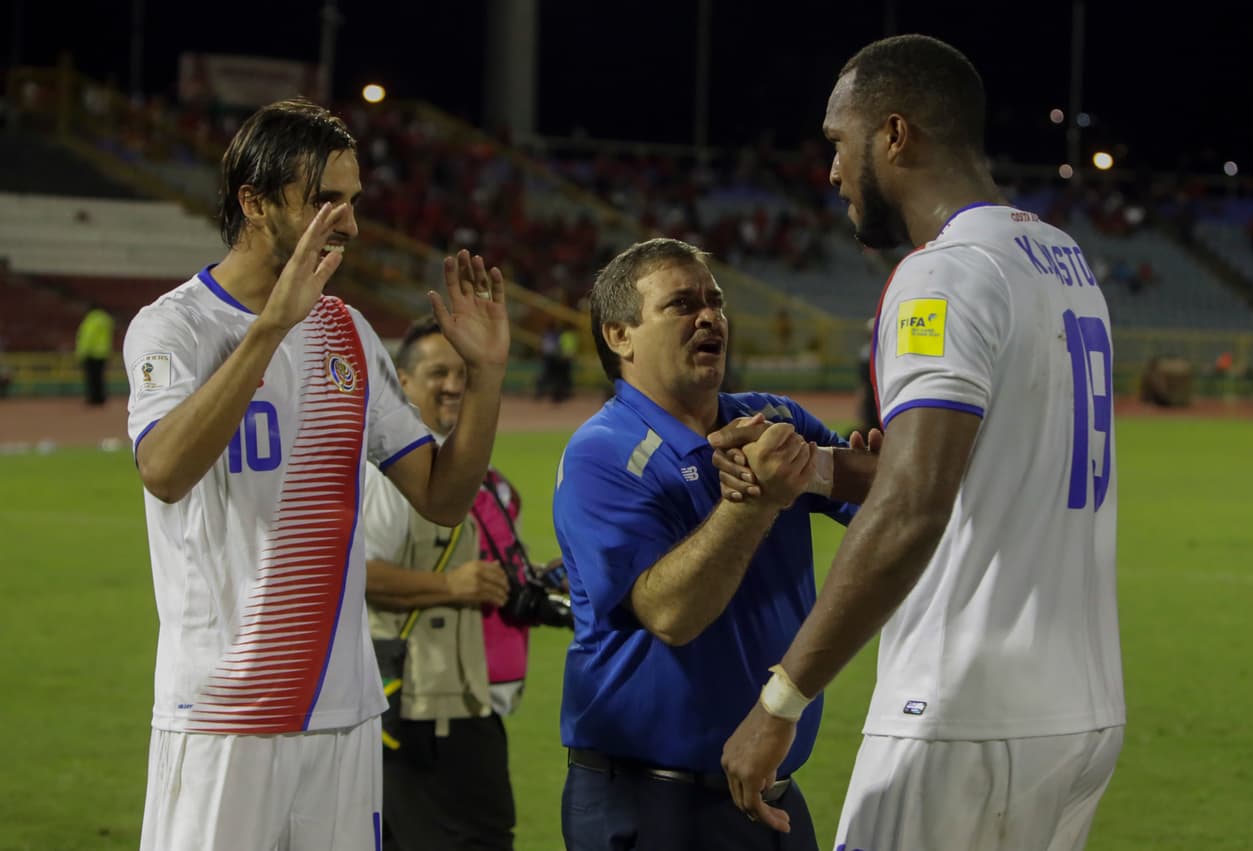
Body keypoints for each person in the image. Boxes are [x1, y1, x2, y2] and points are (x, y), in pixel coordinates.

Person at [719, 35, 1123, 851]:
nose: (830, 172)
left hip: (962, 713)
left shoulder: (943, 273)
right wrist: (822, 467)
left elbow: (913, 507)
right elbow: (980, 470)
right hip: (1078, 710)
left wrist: (779, 703)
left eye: (839, 143)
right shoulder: (1061, 258)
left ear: (894, 135)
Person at [123, 97, 509, 851]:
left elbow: (442, 497)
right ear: (255, 202)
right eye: (325, 199)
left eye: (354, 200)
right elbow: (164, 470)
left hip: (345, 713)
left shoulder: (347, 334)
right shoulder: (175, 326)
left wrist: (487, 376)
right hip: (221, 713)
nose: (351, 223)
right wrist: (269, 326)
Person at [552, 237, 879, 851]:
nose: (709, 316)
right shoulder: (602, 453)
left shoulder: (769, 417)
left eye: (716, 301)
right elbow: (672, 614)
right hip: (653, 803)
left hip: (773, 790)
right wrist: (753, 501)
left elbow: (893, 500)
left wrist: (834, 467)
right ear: (620, 335)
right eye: (681, 304)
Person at [365, 315, 567, 850]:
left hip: (470, 702)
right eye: (437, 373)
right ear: (402, 383)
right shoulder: (388, 473)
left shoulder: (475, 470)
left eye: (463, 372)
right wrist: (451, 587)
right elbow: (355, 571)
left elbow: (486, 577)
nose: (454, 384)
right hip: (418, 709)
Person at [75, 301, 114, 405]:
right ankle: (100, 398)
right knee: (100, 377)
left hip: (91, 353)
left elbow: (88, 337)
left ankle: (93, 398)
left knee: (91, 378)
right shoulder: (106, 319)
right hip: (103, 352)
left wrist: (83, 352)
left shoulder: (91, 320)